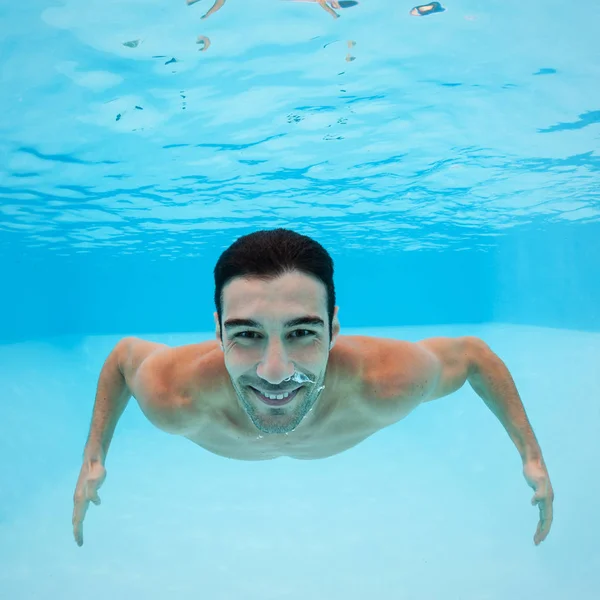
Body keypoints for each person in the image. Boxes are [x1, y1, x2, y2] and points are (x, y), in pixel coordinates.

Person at [73, 229, 554, 547]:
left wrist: (531, 455)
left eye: (302, 332)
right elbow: (121, 360)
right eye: (246, 334)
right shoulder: (173, 394)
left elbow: (473, 355)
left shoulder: (387, 381)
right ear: (217, 332)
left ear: (334, 328)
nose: (276, 371)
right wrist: (93, 457)